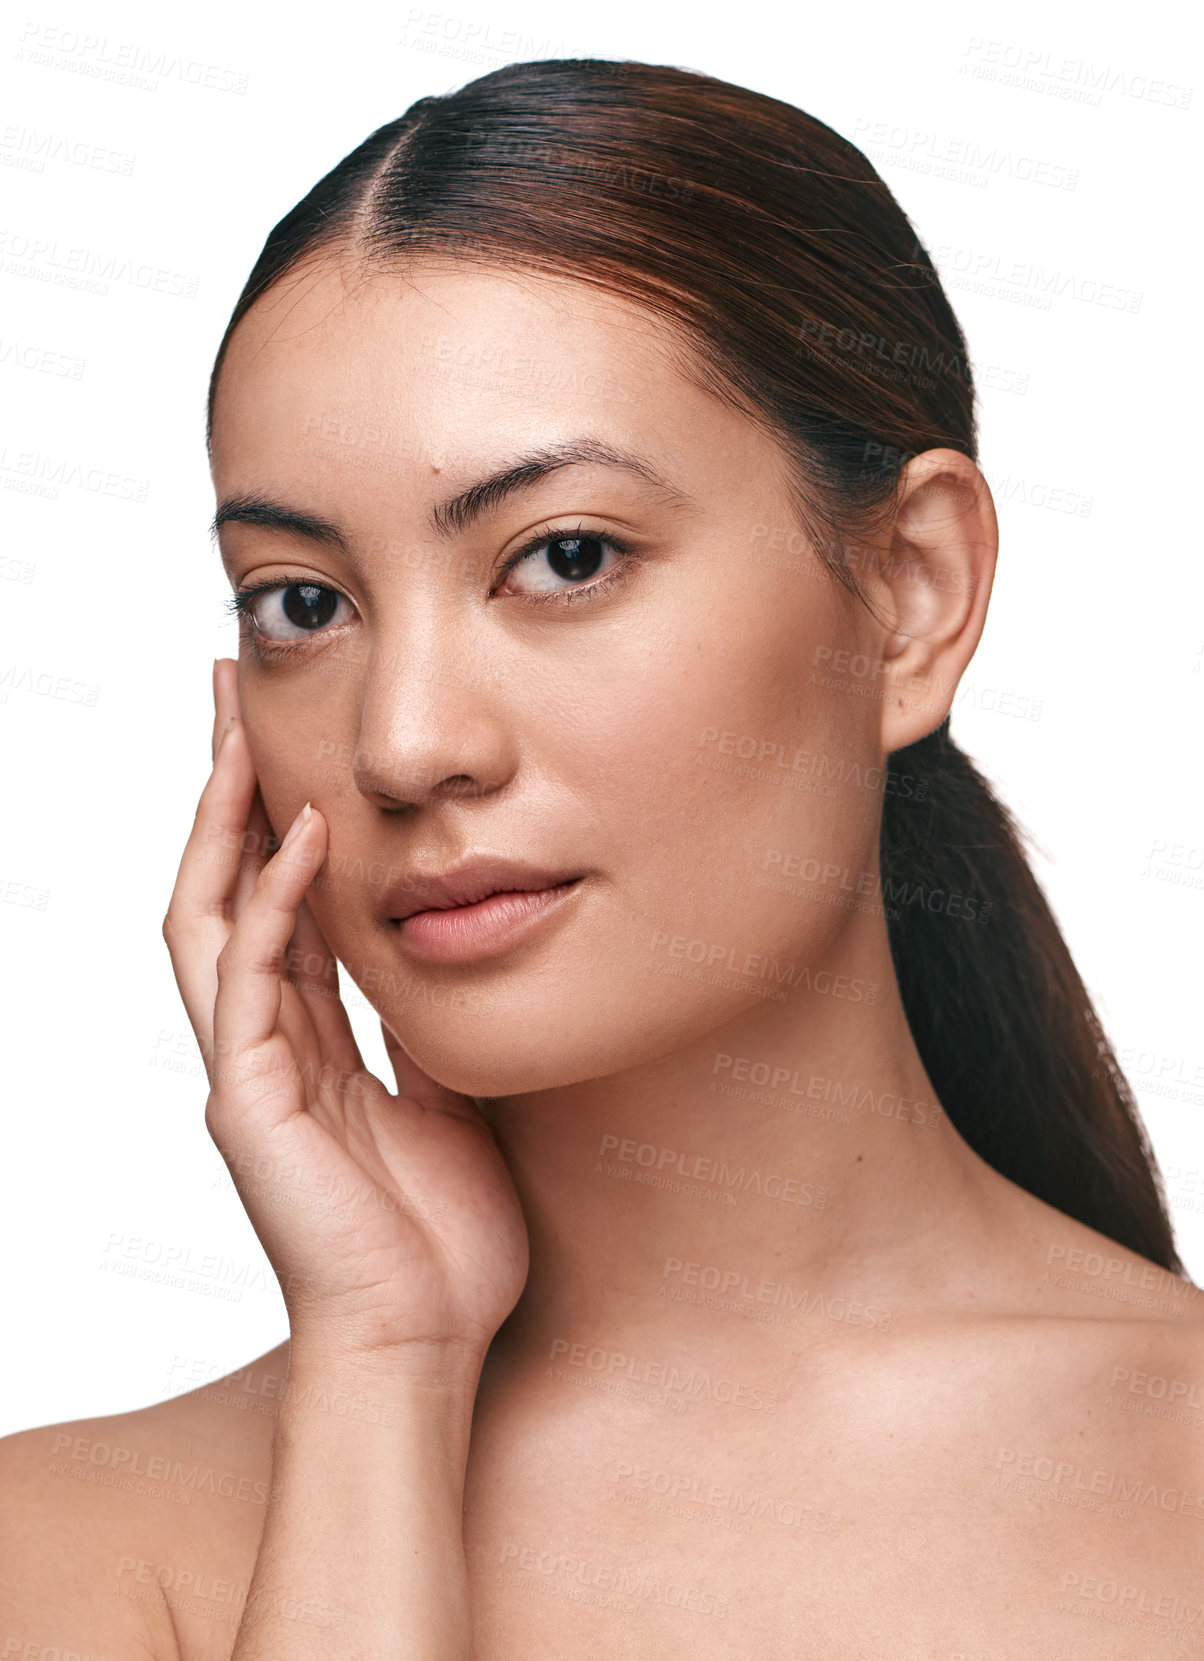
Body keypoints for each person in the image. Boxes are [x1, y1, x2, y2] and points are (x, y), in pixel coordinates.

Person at [2, 56, 1200, 1658]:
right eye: (304, 602)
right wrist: (383, 1369)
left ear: (910, 594)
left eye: (564, 557)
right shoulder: (72, 1552)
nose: (407, 744)